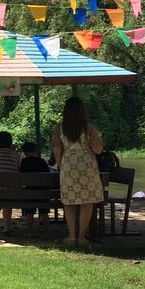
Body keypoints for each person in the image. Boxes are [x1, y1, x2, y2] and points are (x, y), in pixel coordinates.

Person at [50, 96, 104, 245]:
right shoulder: (90, 127)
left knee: (69, 202)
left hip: (68, 167)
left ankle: (71, 236)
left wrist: (61, 165)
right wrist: (98, 138)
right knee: (87, 203)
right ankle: (82, 237)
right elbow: (98, 150)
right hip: (87, 167)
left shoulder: (59, 129)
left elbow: (56, 151)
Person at [18, 141, 52, 232]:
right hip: (43, 193)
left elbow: (21, 176)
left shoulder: (24, 162)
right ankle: (46, 230)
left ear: (24, 152)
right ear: (35, 151)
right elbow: (48, 176)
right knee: (44, 212)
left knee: (29, 212)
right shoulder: (42, 161)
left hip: (30, 192)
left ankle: (30, 231)